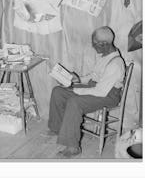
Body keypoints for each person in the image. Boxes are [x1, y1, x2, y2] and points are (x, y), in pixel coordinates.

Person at [47, 26, 126, 158]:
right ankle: (57, 128)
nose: (92, 46)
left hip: (108, 95)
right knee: (58, 91)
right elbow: (94, 76)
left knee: (75, 102)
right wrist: (77, 79)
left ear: (104, 44)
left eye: (94, 43)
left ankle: (73, 147)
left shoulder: (116, 64)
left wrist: (76, 89)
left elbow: (100, 92)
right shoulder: (105, 55)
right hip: (97, 88)